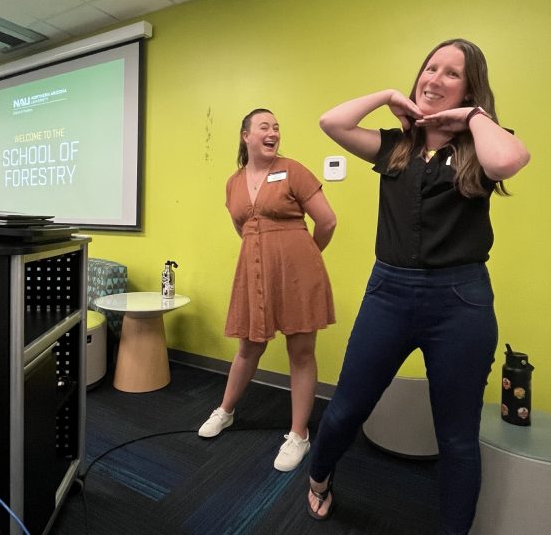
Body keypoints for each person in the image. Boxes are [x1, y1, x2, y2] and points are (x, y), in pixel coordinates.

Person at [306, 39, 530, 533]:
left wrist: (473, 117)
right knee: (346, 408)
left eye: (452, 73)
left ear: (471, 88)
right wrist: (387, 93)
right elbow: (332, 123)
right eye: (430, 68)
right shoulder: (395, 145)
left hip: (460, 300)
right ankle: (318, 477)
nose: (434, 79)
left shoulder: (482, 142)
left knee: (456, 438)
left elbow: (509, 161)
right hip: (389, 292)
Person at [198, 108, 336, 472]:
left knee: (301, 350)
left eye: (277, 127)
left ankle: (299, 435)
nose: (273, 131)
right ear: (246, 136)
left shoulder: (294, 170)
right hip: (254, 271)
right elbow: (241, 226)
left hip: (298, 272)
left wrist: (304, 257)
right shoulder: (233, 181)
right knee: (248, 346)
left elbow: (327, 220)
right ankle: (225, 411)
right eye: (264, 126)